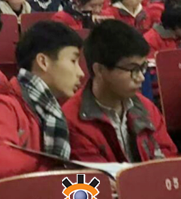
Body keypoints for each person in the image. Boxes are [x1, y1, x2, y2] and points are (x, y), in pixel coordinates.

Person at [0, 21, 84, 181]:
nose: (81, 72)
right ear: (43, 62)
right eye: (73, 61)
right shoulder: (3, 103)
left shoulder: (53, 108)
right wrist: (54, 171)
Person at [64, 20, 176, 163]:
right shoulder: (74, 121)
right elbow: (91, 175)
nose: (141, 77)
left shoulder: (146, 108)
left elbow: (169, 158)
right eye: (132, 69)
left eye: (142, 68)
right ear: (99, 70)